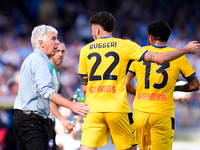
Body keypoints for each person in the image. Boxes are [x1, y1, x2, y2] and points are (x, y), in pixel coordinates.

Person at [78, 11, 200, 150]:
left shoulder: (85, 50)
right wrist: (185, 50)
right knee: (130, 148)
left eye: (92, 30)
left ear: (97, 30)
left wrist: (139, 93)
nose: (92, 34)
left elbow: (85, 88)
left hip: (101, 109)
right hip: (125, 109)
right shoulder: (126, 46)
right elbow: (162, 61)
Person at [12, 25, 90, 150]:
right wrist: (71, 107)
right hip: (33, 120)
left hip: (21, 118)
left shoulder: (30, 59)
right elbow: (46, 92)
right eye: (53, 39)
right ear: (41, 43)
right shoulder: (42, 62)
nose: (57, 42)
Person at [126, 20, 200, 150]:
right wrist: (174, 87)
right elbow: (195, 85)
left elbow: (127, 83)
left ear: (150, 37)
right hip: (163, 113)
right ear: (167, 38)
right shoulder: (178, 55)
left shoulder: (139, 53)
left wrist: (140, 94)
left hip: (139, 113)